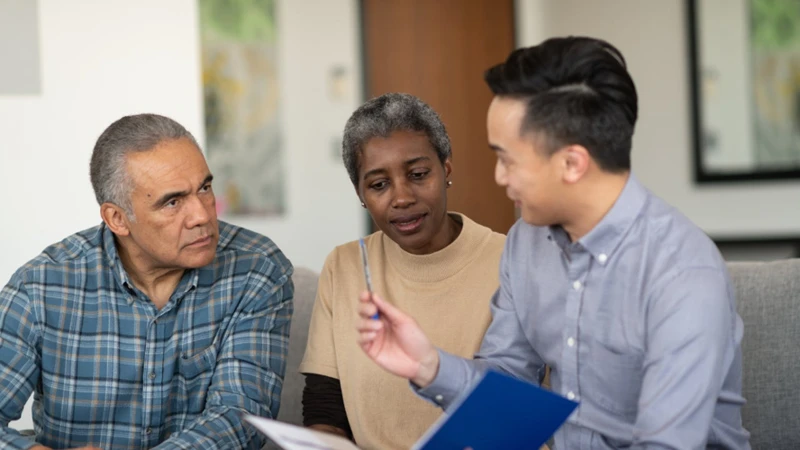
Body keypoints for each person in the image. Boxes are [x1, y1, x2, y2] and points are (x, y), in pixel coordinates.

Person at [356, 37, 751, 449]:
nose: (499, 177)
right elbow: (510, 378)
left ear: (571, 163)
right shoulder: (527, 243)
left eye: (508, 159)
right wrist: (428, 365)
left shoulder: (682, 273)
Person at [0, 114, 294, 450]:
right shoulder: (40, 287)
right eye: (173, 202)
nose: (202, 215)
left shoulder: (256, 268)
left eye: (205, 188)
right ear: (118, 219)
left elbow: (241, 417)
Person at [299, 93, 506, 450]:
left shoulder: (510, 261)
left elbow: (517, 406)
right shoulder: (344, 266)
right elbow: (325, 410)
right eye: (379, 184)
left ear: (447, 170)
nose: (402, 197)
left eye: (418, 174)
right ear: (361, 193)